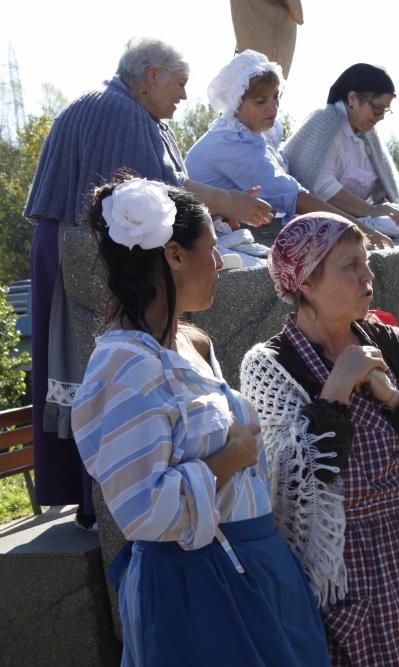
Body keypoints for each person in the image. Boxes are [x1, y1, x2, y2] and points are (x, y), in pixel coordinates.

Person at [70, 177, 329, 665]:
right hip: (197, 590)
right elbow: (142, 511)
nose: (220, 263)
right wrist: (226, 462)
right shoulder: (125, 366)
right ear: (173, 255)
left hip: (255, 570)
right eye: (211, 249)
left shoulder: (193, 342)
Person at [23, 37, 273, 529]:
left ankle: (93, 496)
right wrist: (228, 201)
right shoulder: (116, 110)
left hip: (82, 249)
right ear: (152, 75)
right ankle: (98, 497)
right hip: (80, 253)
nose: (184, 96)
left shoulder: (129, 110)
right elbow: (147, 194)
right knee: (90, 363)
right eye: (179, 84)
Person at [239, 213, 399, 664]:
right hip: (345, 571)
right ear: (307, 282)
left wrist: (393, 397)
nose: (367, 275)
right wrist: (336, 390)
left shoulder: (392, 344)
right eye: (350, 265)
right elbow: (292, 487)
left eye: (367, 261)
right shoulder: (270, 366)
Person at [185, 50, 392, 250]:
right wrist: (360, 230)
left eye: (276, 97)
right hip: (205, 238)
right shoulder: (231, 144)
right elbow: (295, 197)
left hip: (240, 227)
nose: (272, 107)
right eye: (260, 101)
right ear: (237, 103)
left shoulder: (259, 133)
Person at [283, 63, 399, 240]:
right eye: (377, 108)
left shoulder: (369, 136)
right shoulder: (323, 123)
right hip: (316, 220)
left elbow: (382, 189)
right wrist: (371, 210)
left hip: (358, 220)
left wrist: (390, 208)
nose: (381, 116)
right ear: (352, 99)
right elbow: (321, 186)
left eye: (385, 110)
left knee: (395, 223)